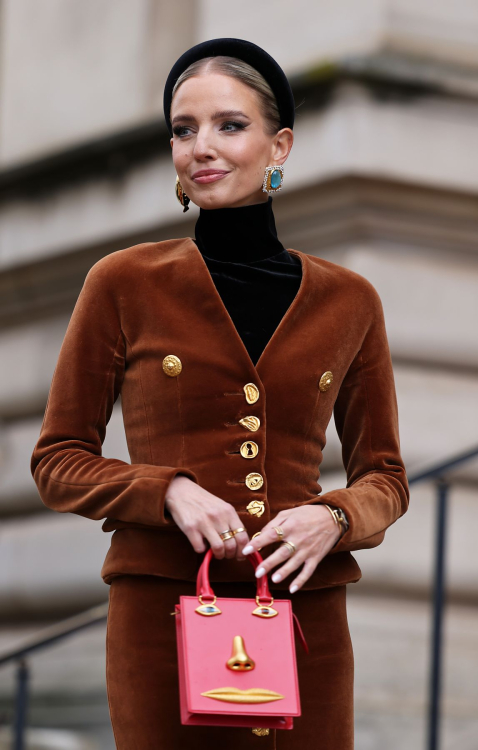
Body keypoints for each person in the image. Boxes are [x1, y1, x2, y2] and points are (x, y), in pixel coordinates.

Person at [30, 37, 410, 749]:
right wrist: (166, 489)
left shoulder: (350, 300)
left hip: (306, 615)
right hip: (161, 613)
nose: (201, 146)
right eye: (183, 128)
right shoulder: (123, 282)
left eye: (230, 125)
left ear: (279, 145)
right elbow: (57, 460)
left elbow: (385, 477)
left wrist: (334, 517)